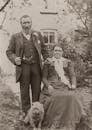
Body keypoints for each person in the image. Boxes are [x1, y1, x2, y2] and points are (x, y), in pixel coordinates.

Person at [40, 46, 86, 130]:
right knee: (55, 98)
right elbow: (44, 77)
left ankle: (71, 121)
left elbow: (72, 75)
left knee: (72, 97)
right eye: (55, 50)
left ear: (62, 52)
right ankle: (55, 122)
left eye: (59, 50)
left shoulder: (67, 62)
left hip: (64, 85)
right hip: (52, 85)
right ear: (53, 52)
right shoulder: (48, 62)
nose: (57, 52)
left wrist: (73, 85)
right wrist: (48, 85)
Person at [6, 15, 44, 116]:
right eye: (24, 23)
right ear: (21, 24)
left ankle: (36, 114)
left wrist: (48, 60)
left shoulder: (38, 34)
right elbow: (9, 51)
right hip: (23, 67)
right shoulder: (15, 37)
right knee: (24, 92)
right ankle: (26, 114)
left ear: (31, 23)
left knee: (37, 90)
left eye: (28, 22)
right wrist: (15, 59)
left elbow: (44, 49)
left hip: (36, 67)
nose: (26, 25)